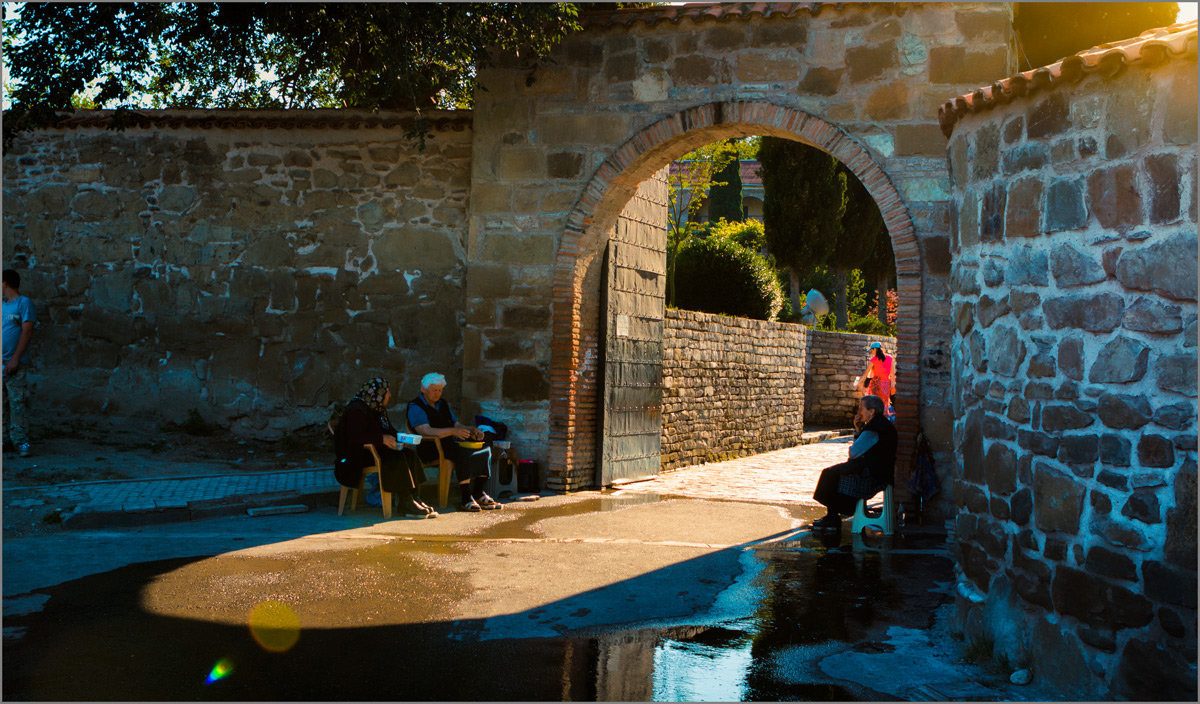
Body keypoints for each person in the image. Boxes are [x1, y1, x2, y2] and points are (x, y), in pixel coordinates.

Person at [334, 377, 437, 518]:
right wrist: (382, 439)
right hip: (358, 454)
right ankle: (405, 501)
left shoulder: (377, 408)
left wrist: (402, 438)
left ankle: (413, 497)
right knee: (397, 457)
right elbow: (355, 437)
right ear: (379, 392)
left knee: (409, 454)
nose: (390, 395)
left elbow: (389, 431)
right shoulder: (357, 409)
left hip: (375, 450)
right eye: (387, 392)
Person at [407, 372, 500, 512]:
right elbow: (424, 430)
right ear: (423, 389)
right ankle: (465, 497)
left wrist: (471, 429)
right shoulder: (415, 406)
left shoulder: (442, 404)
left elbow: (456, 425)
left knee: (484, 447)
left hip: (448, 445)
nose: (437, 394)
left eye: (440, 390)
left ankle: (478, 492)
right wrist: (452, 432)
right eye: (434, 390)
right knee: (463, 452)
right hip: (429, 447)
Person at [811, 394, 897, 530]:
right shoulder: (879, 424)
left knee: (831, 475)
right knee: (834, 472)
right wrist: (858, 429)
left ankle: (833, 517)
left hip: (872, 476)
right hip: (879, 471)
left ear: (872, 411)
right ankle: (832, 516)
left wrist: (859, 432)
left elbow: (854, 453)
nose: (859, 412)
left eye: (862, 409)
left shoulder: (874, 429)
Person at [3, 269, 36, 457]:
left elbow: (27, 331)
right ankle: (3, 439)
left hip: (15, 364)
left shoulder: (24, 304)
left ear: (5, 283)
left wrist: (15, 359)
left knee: (17, 403)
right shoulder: (2, 305)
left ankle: (20, 441)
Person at [859, 341, 896, 419]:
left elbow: (866, 374)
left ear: (875, 349)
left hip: (875, 384)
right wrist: (892, 385)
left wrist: (859, 382)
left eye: (871, 350)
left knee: (874, 404)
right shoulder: (890, 358)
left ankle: (875, 421)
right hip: (885, 384)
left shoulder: (873, 360)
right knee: (884, 404)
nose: (871, 352)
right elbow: (892, 374)